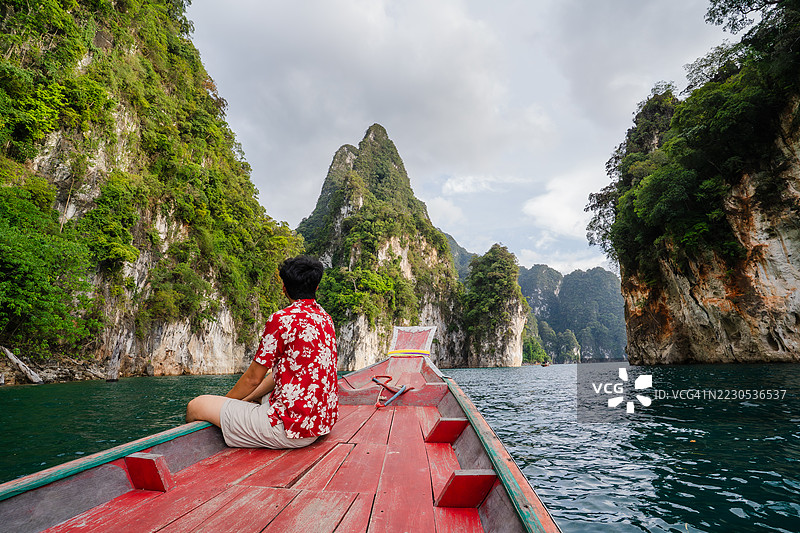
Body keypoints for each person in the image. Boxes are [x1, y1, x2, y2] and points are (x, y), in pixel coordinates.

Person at [186, 255, 338, 449]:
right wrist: (247, 399)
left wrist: (224, 403)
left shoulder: (283, 319)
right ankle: (244, 409)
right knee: (257, 393)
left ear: (284, 287)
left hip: (289, 430)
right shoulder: (325, 319)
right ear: (316, 287)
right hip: (319, 423)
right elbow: (277, 375)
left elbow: (252, 379)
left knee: (196, 405)